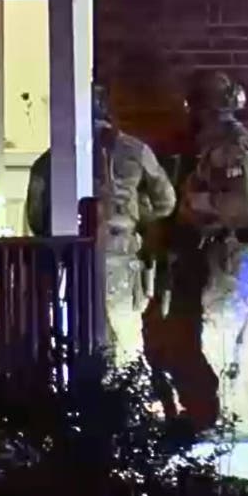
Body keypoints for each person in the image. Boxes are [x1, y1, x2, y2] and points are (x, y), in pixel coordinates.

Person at [175, 69, 248, 435]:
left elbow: (239, 204)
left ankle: (226, 421)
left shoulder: (227, 145)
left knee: (217, 333)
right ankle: (233, 416)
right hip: (235, 248)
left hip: (234, 248)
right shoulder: (232, 140)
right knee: (227, 334)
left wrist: (192, 200)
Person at [93, 84, 177, 371]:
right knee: (127, 333)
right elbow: (167, 201)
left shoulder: (61, 152)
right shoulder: (135, 149)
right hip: (121, 248)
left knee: (86, 335)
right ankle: (131, 404)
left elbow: (37, 209)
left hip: (76, 252)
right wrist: (140, 215)